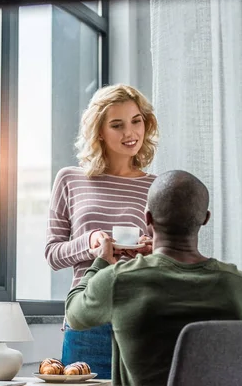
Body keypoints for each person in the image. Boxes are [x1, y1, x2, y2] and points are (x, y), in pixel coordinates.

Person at [65, 170, 242, 386]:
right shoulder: (240, 285)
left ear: (148, 218)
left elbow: (74, 314)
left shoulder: (120, 280)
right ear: (205, 218)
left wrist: (100, 262)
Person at [44, 84, 159, 378]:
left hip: (137, 316)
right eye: (117, 125)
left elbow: (166, 260)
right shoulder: (70, 179)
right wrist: (91, 242)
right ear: (99, 132)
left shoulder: (155, 186)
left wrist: (150, 250)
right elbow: (53, 255)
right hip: (87, 317)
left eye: (136, 121)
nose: (130, 132)